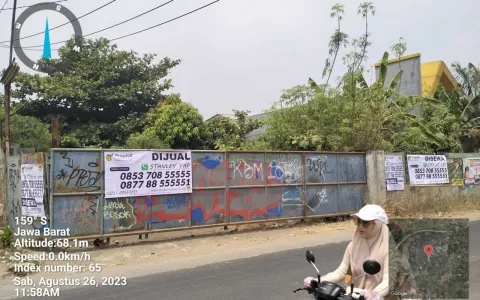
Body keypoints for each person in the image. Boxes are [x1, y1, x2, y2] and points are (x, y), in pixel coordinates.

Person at [303, 204, 390, 300]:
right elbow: (341, 272)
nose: (360, 226)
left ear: (378, 224)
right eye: (358, 221)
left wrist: (375, 294)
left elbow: (388, 281)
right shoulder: (353, 246)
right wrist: (317, 281)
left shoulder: (389, 249)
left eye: (365, 223)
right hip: (355, 296)